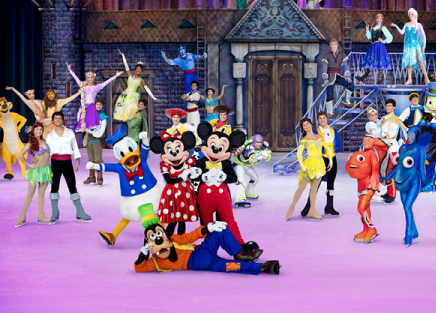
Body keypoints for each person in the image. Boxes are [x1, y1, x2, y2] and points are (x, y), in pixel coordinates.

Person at [133, 204, 278, 275]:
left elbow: (190, 236)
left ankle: (265, 267)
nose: (159, 239)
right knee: (221, 234)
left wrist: (208, 227)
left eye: (159, 233)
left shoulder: (173, 239)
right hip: (198, 258)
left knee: (232, 265)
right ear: (148, 243)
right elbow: (139, 267)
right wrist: (143, 254)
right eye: (153, 237)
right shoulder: (156, 261)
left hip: (203, 258)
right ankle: (241, 255)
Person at [45, 112, 91, 222]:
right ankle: (55, 212)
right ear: (53, 120)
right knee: (54, 187)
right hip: (55, 163)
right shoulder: (49, 136)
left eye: (60, 118)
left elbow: (75, 147)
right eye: (56, 118)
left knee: (72, 186)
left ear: (62, 120)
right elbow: (46, 151)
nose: (58, 120)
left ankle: (80, 211)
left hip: (67, 162)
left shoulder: (69, 133)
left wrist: (78, 162)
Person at [299, 112, 339, 217]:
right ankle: (308, 206)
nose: (322, 120)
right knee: (315, 184)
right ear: (317, 120)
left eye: (324, 118)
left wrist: (331, 151)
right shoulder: (315, 132)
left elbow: (338, 144)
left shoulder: (333, 131)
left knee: (331, 183)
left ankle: (329, 207)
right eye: (320, 118)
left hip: (332, 158)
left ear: (327, 118)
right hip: (320, 160)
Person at [15, 123, 54, 227]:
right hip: (36, 171)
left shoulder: (45, 141)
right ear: (33, 130)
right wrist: (29, 164)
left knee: (41, 194)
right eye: (37, 129)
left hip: (46, 171)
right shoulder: (31, 143)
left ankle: (41, 215)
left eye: (41, 129)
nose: (39, 131)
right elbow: (20, 155)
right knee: (30, 194)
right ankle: (22, 216)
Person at [287, 118, 326, 221]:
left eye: (307, 124)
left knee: (314, 190)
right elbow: (299, 154)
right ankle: (292, 207)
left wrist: (330, 160)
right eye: (304, 125)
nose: (307, 126)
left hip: (319, 165)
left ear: (311, 124)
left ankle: (312, 211)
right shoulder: (304, 139)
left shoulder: (320, 136)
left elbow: (327, 149)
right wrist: (303, 167)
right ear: (303, 128)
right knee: (301, 188)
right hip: (309, 165)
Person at [67, 62, 123, 132]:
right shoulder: (83, 85)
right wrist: (70, 71)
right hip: (84, 106)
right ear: (87, 78)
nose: (90, 79)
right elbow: (76, 79)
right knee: (82, 122)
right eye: (89, 77)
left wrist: (115, 76)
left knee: (91, 126)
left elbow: (105, 83)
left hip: (91, 107)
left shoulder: (96, 87)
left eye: (91, 77)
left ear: (94, 78)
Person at [6, 86, 81, 137]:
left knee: (57, 126)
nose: (32, 95)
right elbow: (21, 97)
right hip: (45, 121)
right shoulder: (37, 102)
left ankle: (32, 128)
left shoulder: (44, 101)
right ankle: (32, 128)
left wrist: (78, 93)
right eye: (48, 94)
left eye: (32, 94)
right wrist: (13, 89)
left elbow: (69, 99)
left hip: (49, 121)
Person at [114, 50, 159, 122]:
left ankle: (133, 119)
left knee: (133, 108)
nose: (138, 70)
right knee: (123, 108)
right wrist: (123, 55)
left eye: (140, 69)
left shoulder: (141, 80)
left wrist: (153, 97)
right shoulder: (130, 75)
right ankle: (128, 119)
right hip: (127, 93)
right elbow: (126, 65)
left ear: (142, 71)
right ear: (135, 69)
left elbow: (147, 89)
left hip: (133, 95)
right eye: (137, 68)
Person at [391, 8, 430, 85]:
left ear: (415, 15)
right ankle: (409, 79)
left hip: (415, 45)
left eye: (412, 14)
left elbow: (424, 36)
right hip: (408, 46)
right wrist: (396, 26)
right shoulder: (406, 24)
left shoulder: (419, 25)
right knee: (409, 61)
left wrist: (424, 45)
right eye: (409, 14)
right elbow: (402, 33)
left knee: (420, 59)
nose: (410, 15)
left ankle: (426, 78)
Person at [377, 99, 405, 204]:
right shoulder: (384, 118)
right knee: (385, 170)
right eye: (387, 105)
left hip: (392, 147)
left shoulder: (394, 119)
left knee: (391, 171)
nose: (388, 107)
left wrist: (383, 136)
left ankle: (392, 194)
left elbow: (392, 133)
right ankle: (389, 192)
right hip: (384, 146)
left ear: (394, 107)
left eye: (390, 106)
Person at [233, 134, 272, 200]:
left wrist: (266, 154)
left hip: (247, 165)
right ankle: (239, 198)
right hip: (239, 164)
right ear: (254, 142)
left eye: (260, 142)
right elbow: (253, 159)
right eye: (257, 142)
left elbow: (268, 154)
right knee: (241, 181)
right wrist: (261, 155)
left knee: (255, 179)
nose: (259, 144)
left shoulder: (261, 147)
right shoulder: (249, 147)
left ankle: (248, 193)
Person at [322, 39, 355, 111]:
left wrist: (348, 75)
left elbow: (345, 65)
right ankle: (329, 112)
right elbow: (325, 67)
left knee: (350, 84)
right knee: (330, 94)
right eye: (332, 45)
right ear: (330, 46)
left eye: (335, 44)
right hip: (330, 76)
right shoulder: (327, 55)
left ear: (337, 45)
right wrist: (325, 78)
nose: (334, 46)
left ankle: (346, 100)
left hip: (339, 75)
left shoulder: (342, 54)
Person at [83, 100, 109, 186]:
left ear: (102, 106)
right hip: (89, 140)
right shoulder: (90, 114)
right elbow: (83, 122)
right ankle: (91, 177)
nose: (98, 106)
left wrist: (90, 131)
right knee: (90, 158)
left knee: (98, 159)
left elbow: (101, 132)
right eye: (97, 104)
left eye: (100, 104)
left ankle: (99, 176)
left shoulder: (103, 117)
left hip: (97, 140)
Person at [363, 13, 392, 85]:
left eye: (380, 19)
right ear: (375, 19)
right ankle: (364, 77)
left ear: (382, 20)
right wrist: (367, 30)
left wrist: (384, 41)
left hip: (379, 46)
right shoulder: (373, 28)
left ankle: (380, 78)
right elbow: (369, 37)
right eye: (377, 18)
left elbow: (390, 37)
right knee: (370, 61)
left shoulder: (383, 28)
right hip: (373, 46)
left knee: (380, 60)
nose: (379, 20)